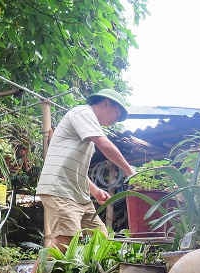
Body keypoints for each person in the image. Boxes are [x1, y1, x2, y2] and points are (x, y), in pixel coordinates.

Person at [36, 88, 136, 249]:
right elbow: (104, 144)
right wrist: (131, 172)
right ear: (106, 103)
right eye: (116, 115)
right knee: (64, 243)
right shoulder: (82, 112)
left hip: (79, 196)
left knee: (102, 240)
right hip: (60, 190)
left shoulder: (88, 128)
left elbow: (77, 170)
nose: (115, 121)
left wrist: (95, 191)